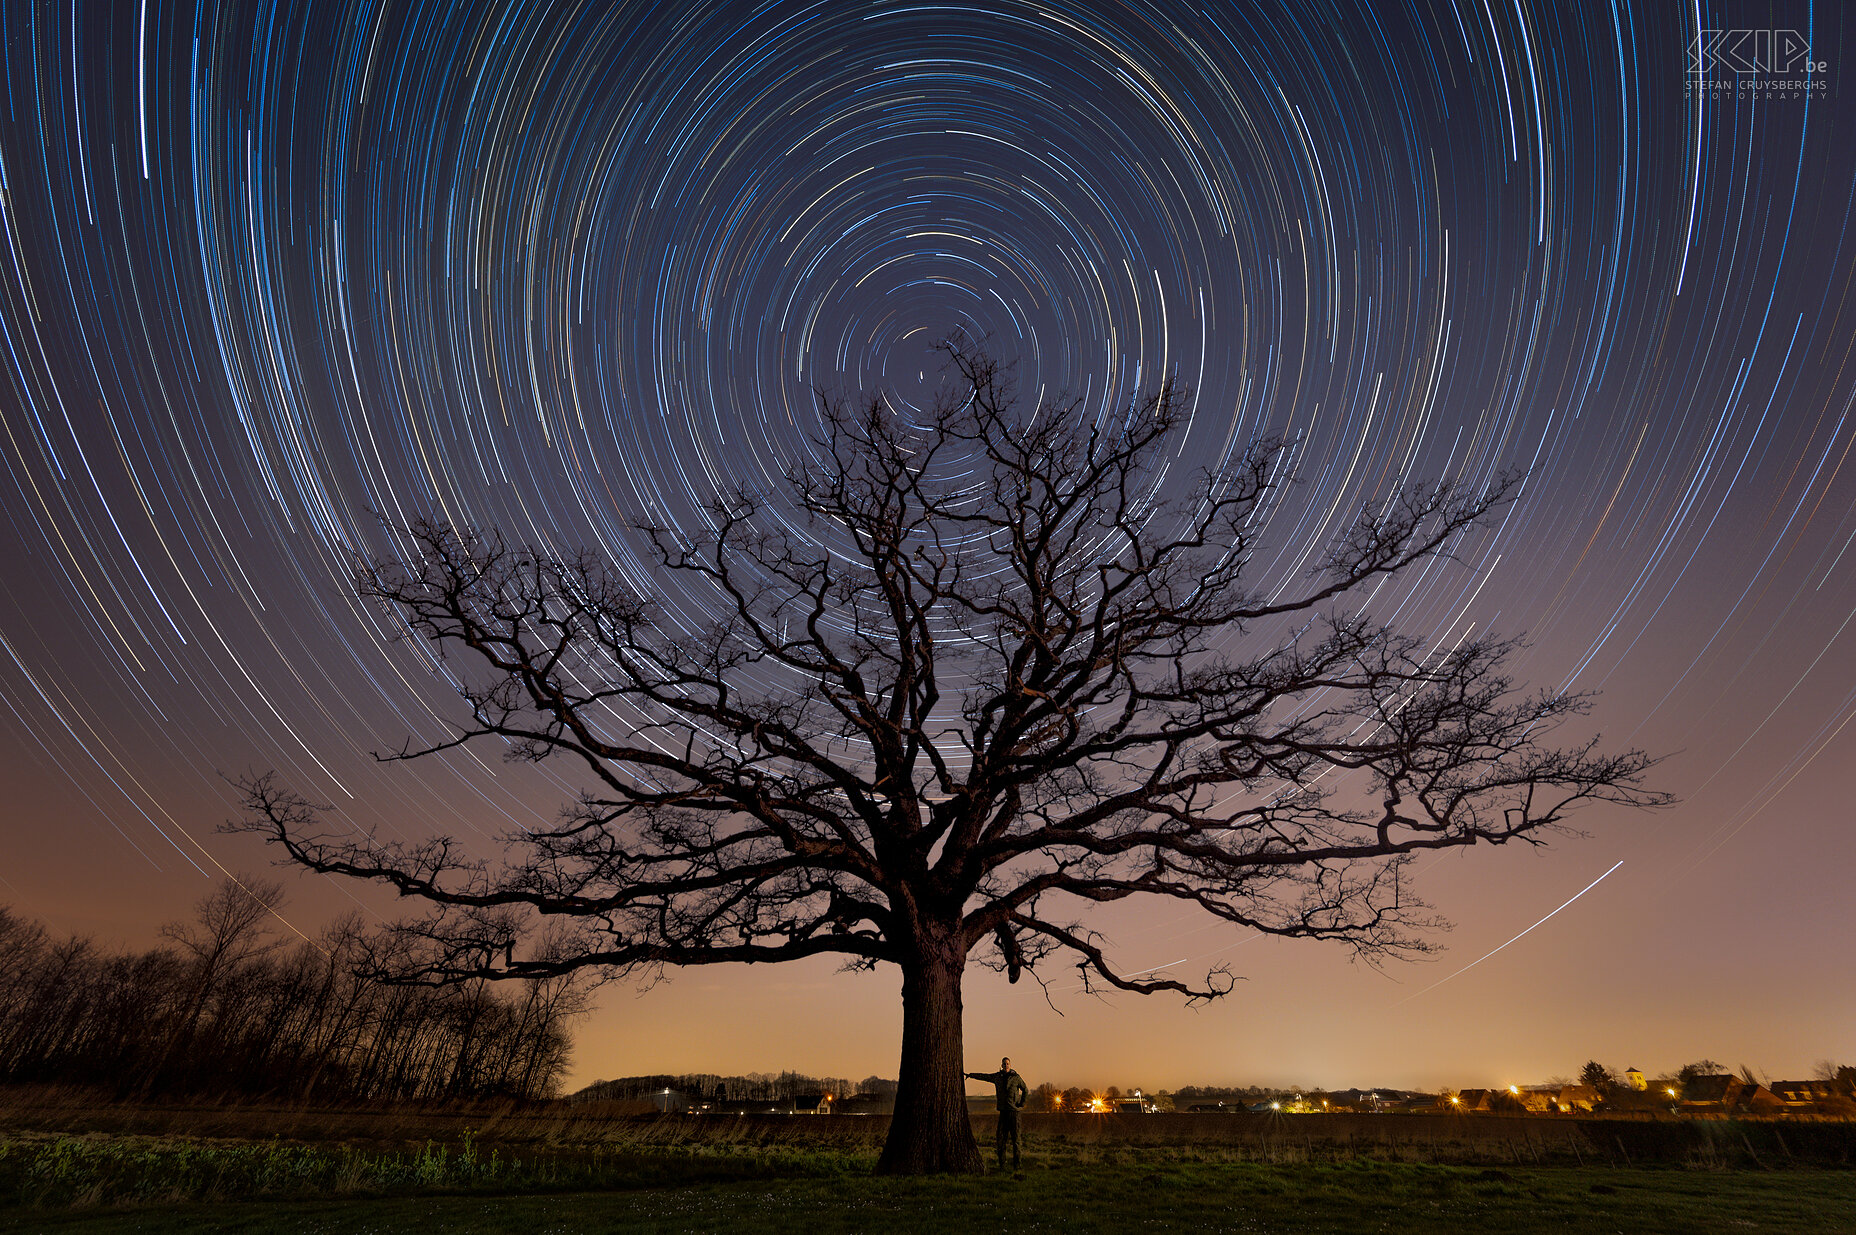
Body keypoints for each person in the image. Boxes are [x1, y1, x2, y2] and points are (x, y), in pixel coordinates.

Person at [965, 1055, 1029, 1169]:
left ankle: (1017, 1166)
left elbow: (1025, 1090)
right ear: (1001, 1065)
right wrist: (971, 1075)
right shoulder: (997, 1077)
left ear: (1010, 1065)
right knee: (1000, 1139)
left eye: (1007, 1063)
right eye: (1004, 1064)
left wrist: (1021, 1104)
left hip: (1014, 1113)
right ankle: (1002, 1165)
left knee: (1016, 1141)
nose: (1006, 1065)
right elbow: (984, 1076)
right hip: (1003, 1113)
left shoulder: (1016, 1077)